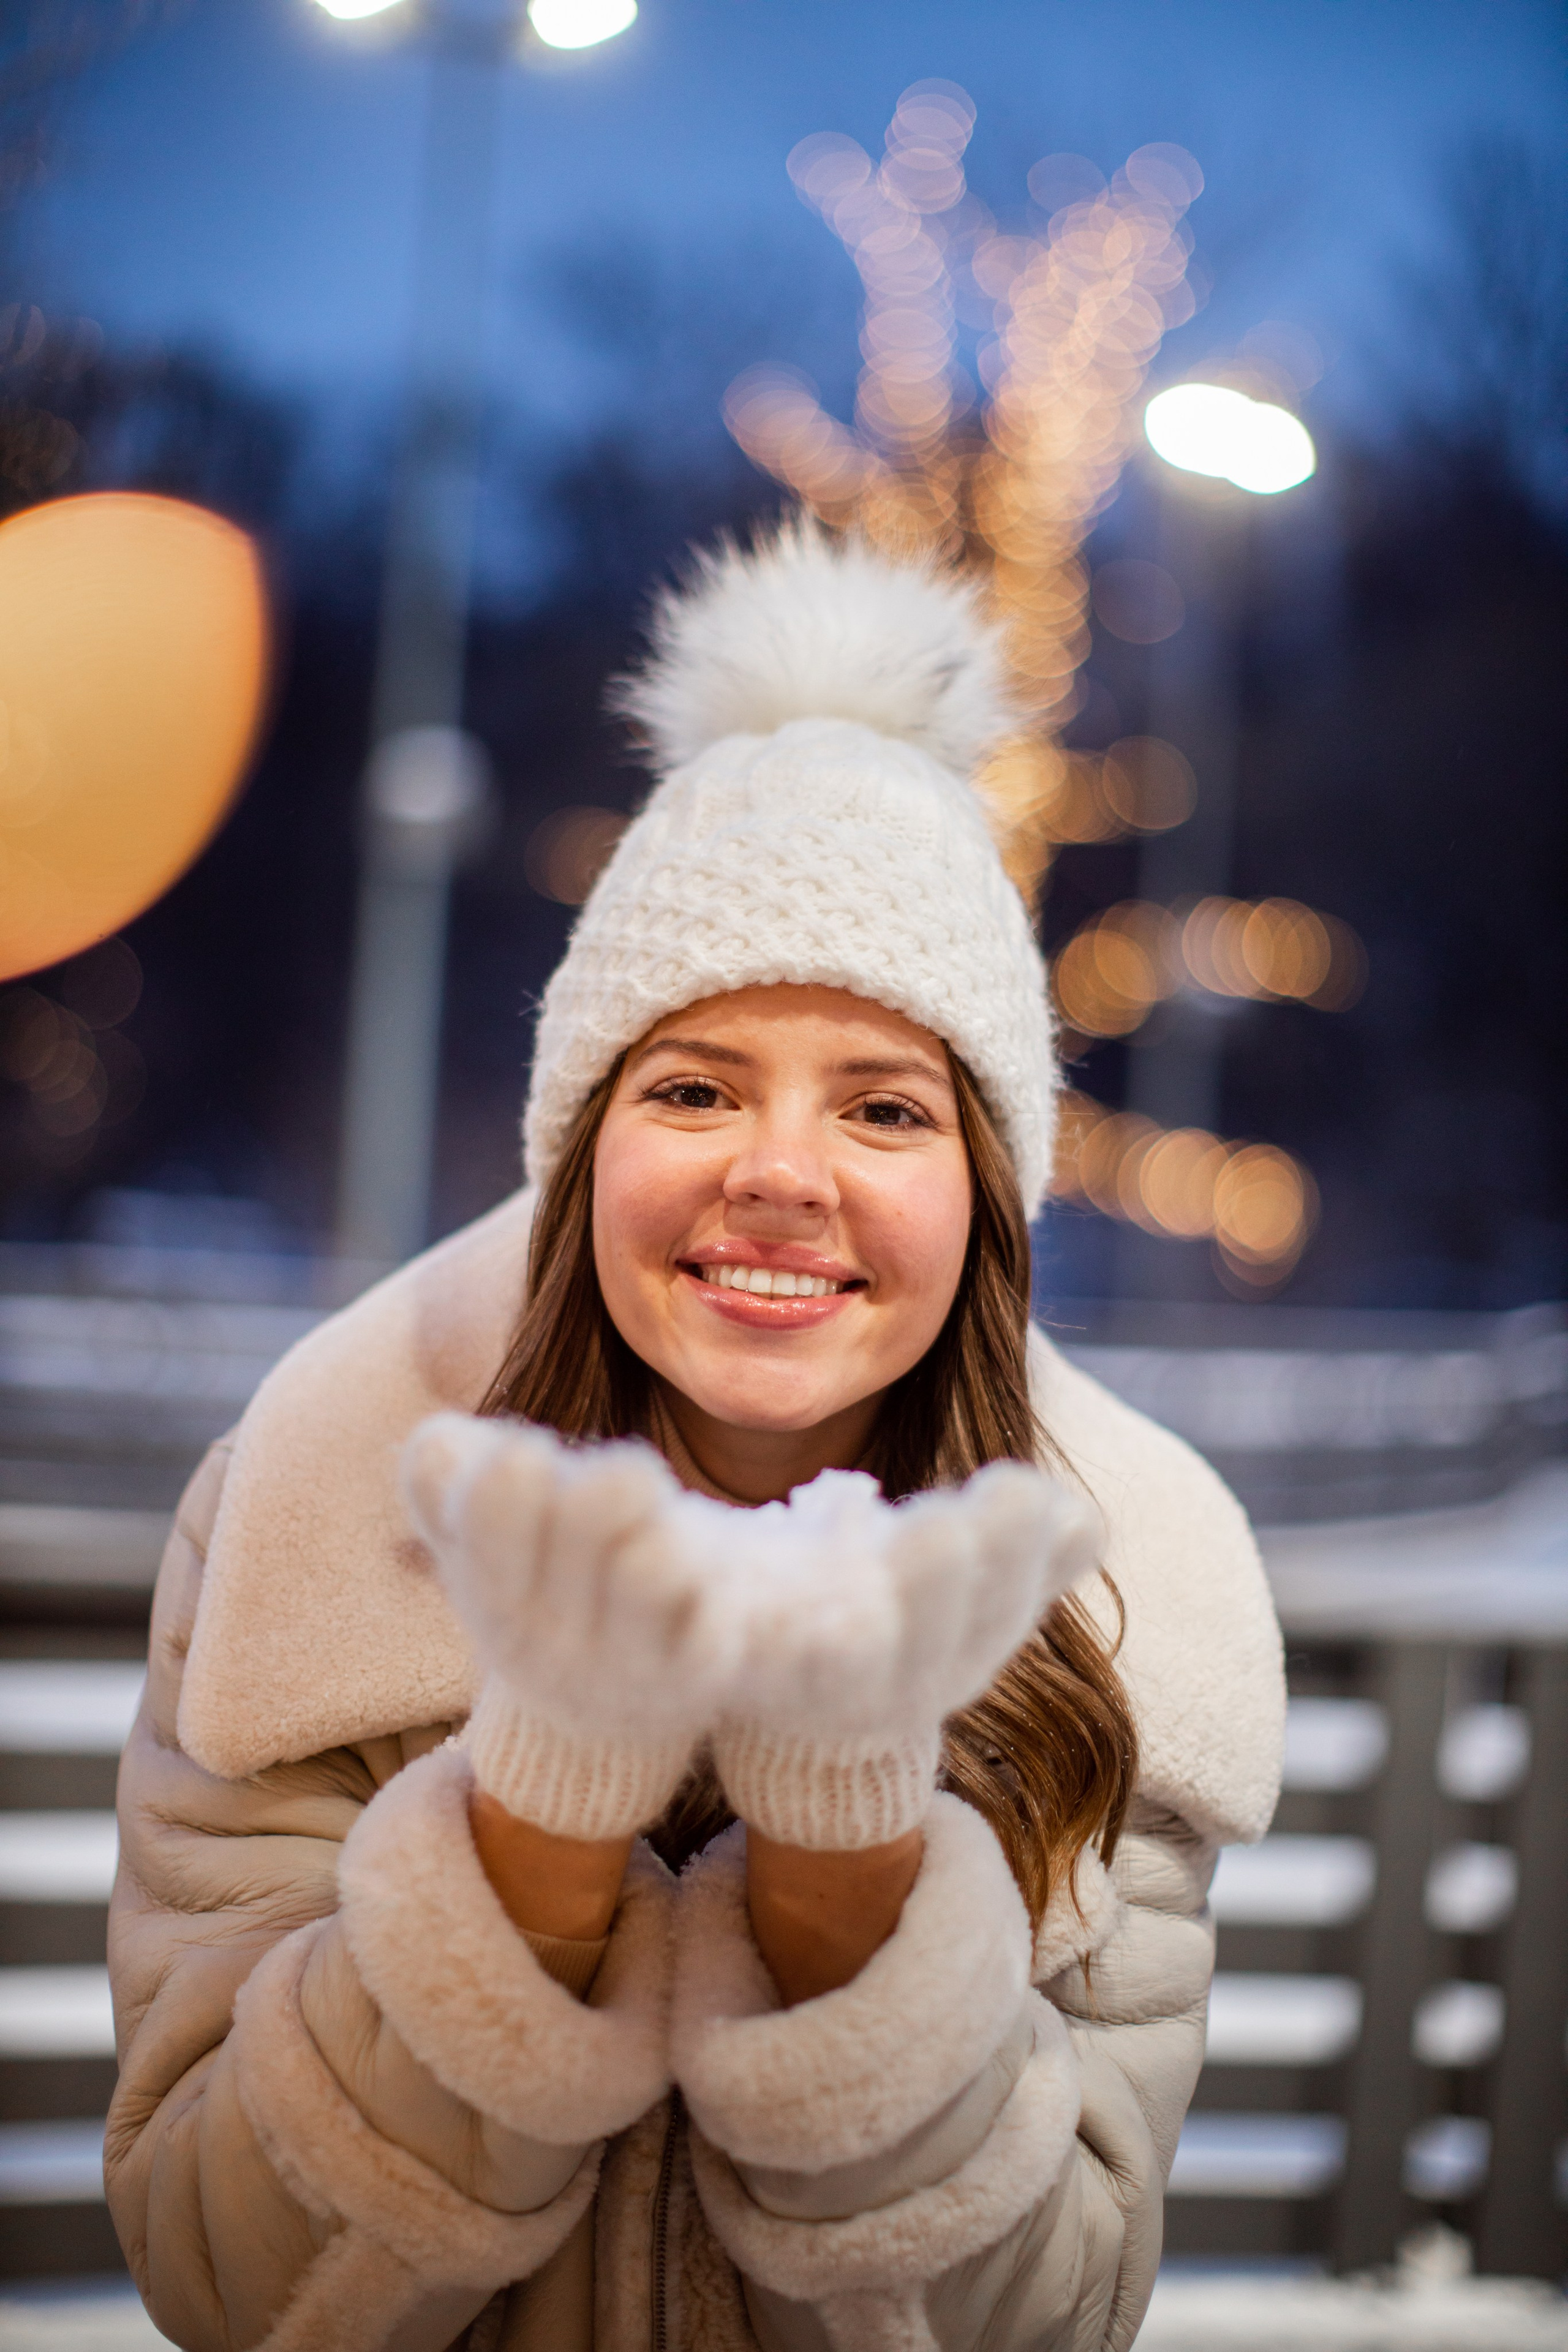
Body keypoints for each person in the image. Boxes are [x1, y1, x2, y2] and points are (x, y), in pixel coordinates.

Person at [107, 521, 1284, 2352]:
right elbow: (230, 2285)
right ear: (584, 1146)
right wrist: (543, 1801)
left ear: (989, 1193)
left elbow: (1045, 2319)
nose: (781, 1176)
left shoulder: (1130, 1592)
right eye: (695, 1086)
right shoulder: (315, 1494)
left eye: (887, 1107)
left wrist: (851, 1850)